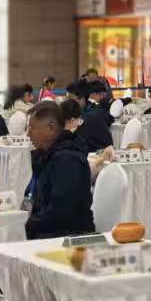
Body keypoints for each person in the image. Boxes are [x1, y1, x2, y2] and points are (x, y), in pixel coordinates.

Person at [23, 100, 94, 240]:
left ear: (50, 128)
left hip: (66, 237)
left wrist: (25, 226)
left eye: (32, 128)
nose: (28, 134)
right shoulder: (46, 156)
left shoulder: (68, 161)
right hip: (47, 229)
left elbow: (60, 213)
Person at [76, 82, 115, 154]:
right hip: (98, 147)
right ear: (92, 94)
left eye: (104, 95)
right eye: (101, 95)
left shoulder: (94, 109)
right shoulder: (96, 109)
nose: (102, 97)